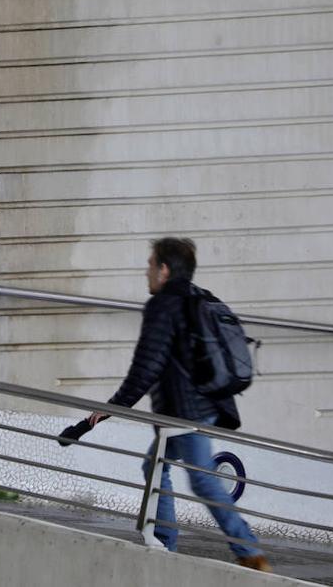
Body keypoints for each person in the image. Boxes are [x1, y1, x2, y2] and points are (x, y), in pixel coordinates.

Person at [87, 236, 271, 572]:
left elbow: (146, 367)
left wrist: (112, 407)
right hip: (206, 406)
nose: (146, 272)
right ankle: (166, 542)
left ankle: (249, 552)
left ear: (164, 269)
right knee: (154, 465)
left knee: (202, 480)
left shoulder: (164, 305)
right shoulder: (200, 298)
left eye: (150, 264)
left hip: (187, 413)